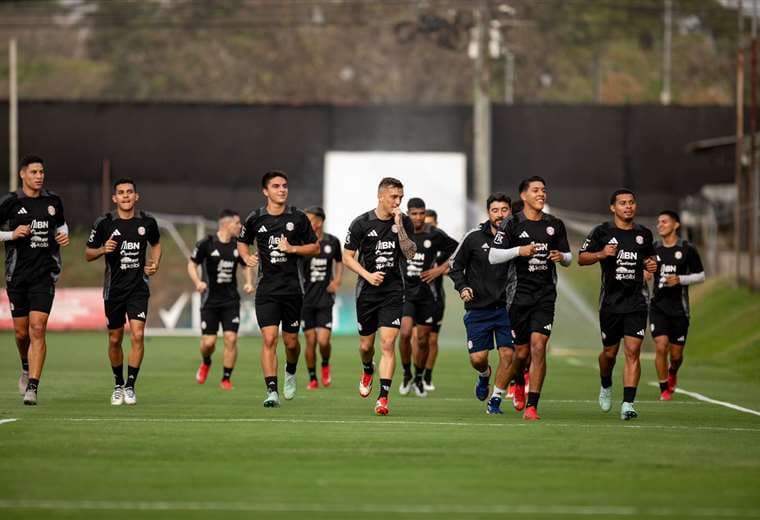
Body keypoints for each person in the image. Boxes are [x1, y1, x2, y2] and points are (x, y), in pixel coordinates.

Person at [488, 176, 571, 419]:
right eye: (536, 190)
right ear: (524, 196)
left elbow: (569, 257)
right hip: (518, 297)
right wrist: (519, 251)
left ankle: (532, 406)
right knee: (520, 354)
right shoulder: (512, 223)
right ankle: (516, 382)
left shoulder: (554, 224)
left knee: (539, 347)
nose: (541, 194)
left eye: (544, 190)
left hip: (545, 296)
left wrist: (561, 257)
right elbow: (493, 256)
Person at [237, 171, 319, 408]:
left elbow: (314, 247)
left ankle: (290, 371)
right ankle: (271, 391)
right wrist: (246, 258)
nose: (282, 189)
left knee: (291, 343)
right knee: (270, 339)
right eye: (276, 186)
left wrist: (292, 249)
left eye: (284, 185)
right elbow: (242, 241)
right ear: (266, 191)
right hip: (267, 290)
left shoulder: (299, 217)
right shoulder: (255, 218)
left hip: (293, 289)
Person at [578, 189, 657, 420]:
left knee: (633, 352)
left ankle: (628, 404)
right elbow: (582, 257)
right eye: (622, 203)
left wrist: (650, 266)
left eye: (631, 202)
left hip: (637, 302)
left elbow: (650, 260)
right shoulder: (602, 232)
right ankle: (605, 384)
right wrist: (601, 253)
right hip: (611, 303)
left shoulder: (644, 234)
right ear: (613, 208)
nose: (628, 207)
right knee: (609, 354)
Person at [342, 177, 416, 415]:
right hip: (367, 292)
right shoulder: (361, 224)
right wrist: (367, 275)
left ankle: (383, 398)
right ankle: (367, 369)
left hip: (394, 291)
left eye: (401, 198)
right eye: (394, 197)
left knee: (387, 344)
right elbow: (347, 257)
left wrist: (401, 227)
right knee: (366, 346)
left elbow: (411, 254)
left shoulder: (403, 221)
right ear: (381, 196)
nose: (398, 202)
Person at [0, 155, 69, 405]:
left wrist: (63, 237)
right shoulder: (10, 202)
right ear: (23, 175)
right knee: (21, 333)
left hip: (44, 275)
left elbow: (62, 227)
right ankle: (25, 366)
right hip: (17, 276)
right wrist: (11, 234)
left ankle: (33, 387)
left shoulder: (53, 201)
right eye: (34, 172)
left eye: (41, 172)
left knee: (37, 328)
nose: (39, 176)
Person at [86, 178, 161, 406]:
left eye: (130, 192)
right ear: (115, 198)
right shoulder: (105, 223)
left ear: (136, 196)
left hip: (138, 288)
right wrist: (102, 249)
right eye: (121, 192)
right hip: (114, 290)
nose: (126, 196)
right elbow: (88, 253)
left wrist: (154, 262)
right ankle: (118, 384)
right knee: (115, 338)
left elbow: (156, 244)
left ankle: (130, 385)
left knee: (137, 335)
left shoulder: (147, 222)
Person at [448, 193, 514, 411]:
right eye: (495, 210)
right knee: (478, 358)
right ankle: (484, 374)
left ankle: (495, 400)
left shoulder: (517, 238)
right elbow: (454, 265)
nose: (500, 215)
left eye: (504, 210)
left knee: (508, 354)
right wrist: (463, 287)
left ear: (510, 212)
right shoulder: (474, 237)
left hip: (507, 309)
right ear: (488, 213)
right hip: (478, 308)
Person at [398, 198, 458, 397]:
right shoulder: (399, 232)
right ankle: (406, 373)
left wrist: (440, 269)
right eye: (413, 213)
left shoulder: (434, 234)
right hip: (405, 293)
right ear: (408, 214)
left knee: (423, 340)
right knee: (405, 333)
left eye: (421, 213)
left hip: (427, 295)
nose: (418, 217)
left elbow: (460, 251)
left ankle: (419, 377)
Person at [188, 209, 254, 390]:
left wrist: (248, 282)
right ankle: (206, 361)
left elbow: (246, 264)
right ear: (226, 224)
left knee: (231, 339)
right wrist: (197, 281)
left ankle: (226, 378)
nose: (240, 227)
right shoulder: (206, 244)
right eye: (237, 223)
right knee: (208, 343)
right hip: (209, 301)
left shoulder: (237, 246)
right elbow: (192, 264)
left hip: (231, 301)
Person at [649, 210, 705, 400]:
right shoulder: (653, 248)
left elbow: (701, 275)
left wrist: (680, 279)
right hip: (657, 306)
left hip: (679, 308)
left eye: (664, 222)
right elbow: (645, 269)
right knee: (660, 346)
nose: (660, 225)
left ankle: (673, 372)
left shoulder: (687, 249)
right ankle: (664, 387)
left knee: (676, 355)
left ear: (676, 225)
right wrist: (645, 273)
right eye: (658, 222)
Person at [301, 206, 343, 390]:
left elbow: (340, 261)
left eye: (309, 219)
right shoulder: (301, 242)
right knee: (310, 341)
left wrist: (337, 281)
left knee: (324, 341)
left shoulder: (332, 242)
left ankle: (325, 364)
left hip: (325, 298)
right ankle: (312, 378)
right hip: (305, 300)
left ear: (319, 222)